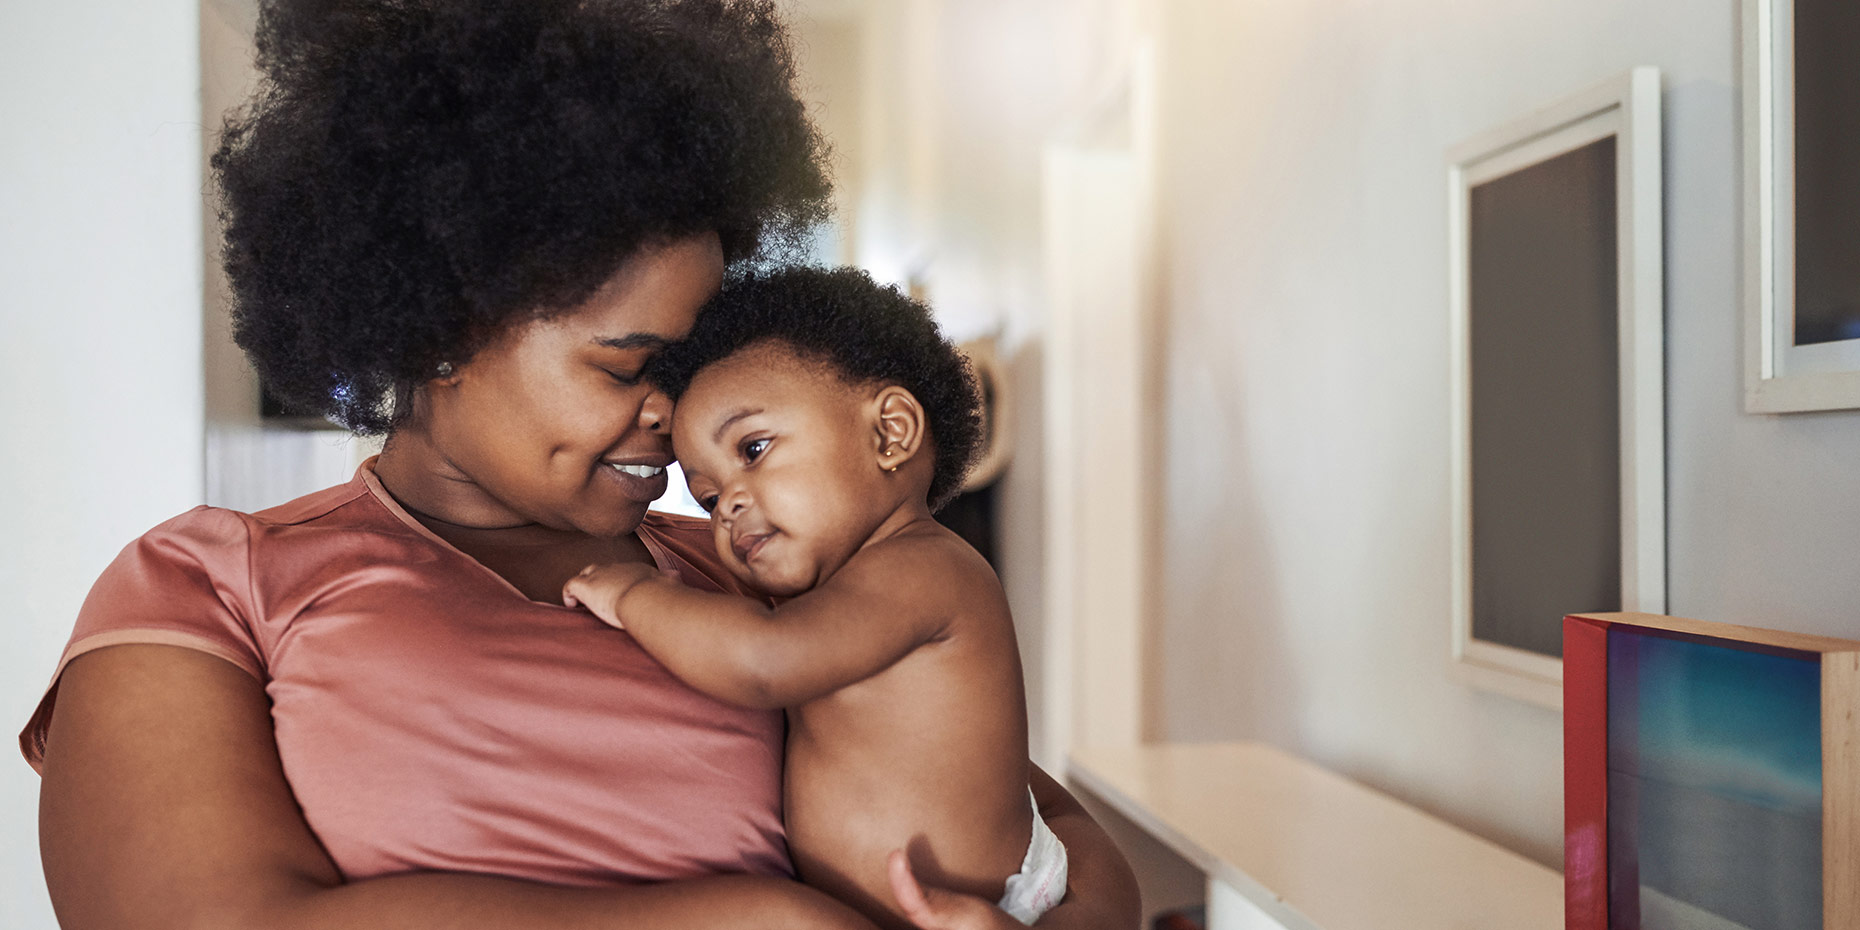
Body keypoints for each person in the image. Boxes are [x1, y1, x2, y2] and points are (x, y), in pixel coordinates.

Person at [19, 2, 1140, 930]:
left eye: (695, 371)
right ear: (441, 331)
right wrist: (754, 921)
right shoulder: (209, 586)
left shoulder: (756, 577)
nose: (675, 415)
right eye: (629, 365)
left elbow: (1054, 844)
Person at [564, 267, 1063, 930]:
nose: (729, 503)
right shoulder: (840, 589)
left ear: (890, 433)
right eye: (707, 496)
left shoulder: (924, 568)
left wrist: (635, 595)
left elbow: (762, 664)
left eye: (755, 448)